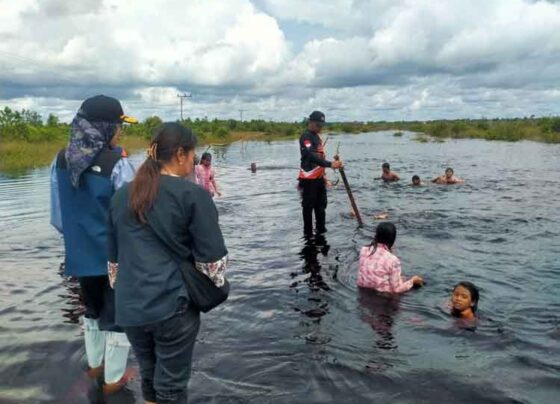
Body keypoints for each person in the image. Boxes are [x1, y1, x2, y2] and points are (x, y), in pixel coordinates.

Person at [107, 122, 228, 403]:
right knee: (172, 386)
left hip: (129, 306)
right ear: (180, 154)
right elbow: (214, 264)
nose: (194, 160)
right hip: (171, 306)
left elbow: (114, 266)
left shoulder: (120, 196)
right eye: (192, 154)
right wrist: (208, 290)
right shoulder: (194, 195)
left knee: (149, 376)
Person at [50, 94, 137, 394]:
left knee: (92, 311)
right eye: (119, 126)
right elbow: (133, 216)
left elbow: (58, 217)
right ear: (104, 127)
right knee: (116, 318)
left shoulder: (60, 160)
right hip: (115, 259)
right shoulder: (118, 164)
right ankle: (113, 383)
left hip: (79, 257)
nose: (121, 132)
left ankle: (95, 367)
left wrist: (79, 241)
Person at [298, 110, 343, 235]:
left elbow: (320, 157)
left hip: (319, 179)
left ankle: (321, 233)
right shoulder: (305, 137)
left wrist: (327, 170)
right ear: (310, 122)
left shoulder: (317, 137)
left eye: (322, 125)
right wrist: (330, 164)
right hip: (308, 180)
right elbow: (311, 156)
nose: (320, 128)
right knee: (308, 208)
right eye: (318, 125)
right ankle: (308, 236)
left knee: (321, 207)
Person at [357, 222, 424, 293]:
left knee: (401, 278)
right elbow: (396, 290)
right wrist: (412, 281)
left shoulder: (364, 249)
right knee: (408, 281)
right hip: (382, 296)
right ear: (392, 239)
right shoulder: (393, 260)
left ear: (376, 235)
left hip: (362, 290)